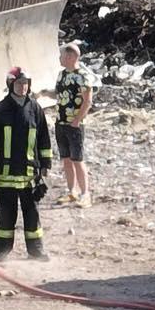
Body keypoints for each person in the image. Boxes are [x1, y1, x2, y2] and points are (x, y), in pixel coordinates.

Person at [0, 66, 54, 260]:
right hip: (5, 172)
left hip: (29, 173)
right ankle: (3, 250)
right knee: (6, 213)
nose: (23, 87)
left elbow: (43, 138)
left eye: (25, 83)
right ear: (10, 84)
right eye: (19, 83)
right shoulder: (1, 109)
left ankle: (36, 250)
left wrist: (46, 164)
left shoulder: (35, 108)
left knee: (32, 213)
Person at [53, 42, 96, 207]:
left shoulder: (83, 76)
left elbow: (88, 101)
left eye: (62, 55)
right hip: (60, 122)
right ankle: (72, 191)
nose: (60, 58)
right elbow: (59, 94)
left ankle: (85, 194)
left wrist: (77, 120)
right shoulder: (61, 75)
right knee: (66, 159)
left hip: (74, 125)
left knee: (77, 159)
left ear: (70, 56)